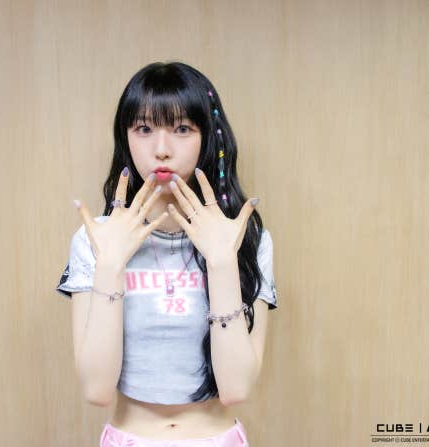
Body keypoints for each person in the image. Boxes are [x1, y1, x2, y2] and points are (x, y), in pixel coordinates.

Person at [56, 61, 279, 447]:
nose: (161, 150)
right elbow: (96, 390)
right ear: (126, 138)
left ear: (207, 137)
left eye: (182, 129)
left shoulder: (244, 238)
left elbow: (236, 388)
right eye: (144, 129)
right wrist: (110, 265)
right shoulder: (96, 240)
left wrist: (221, 263)